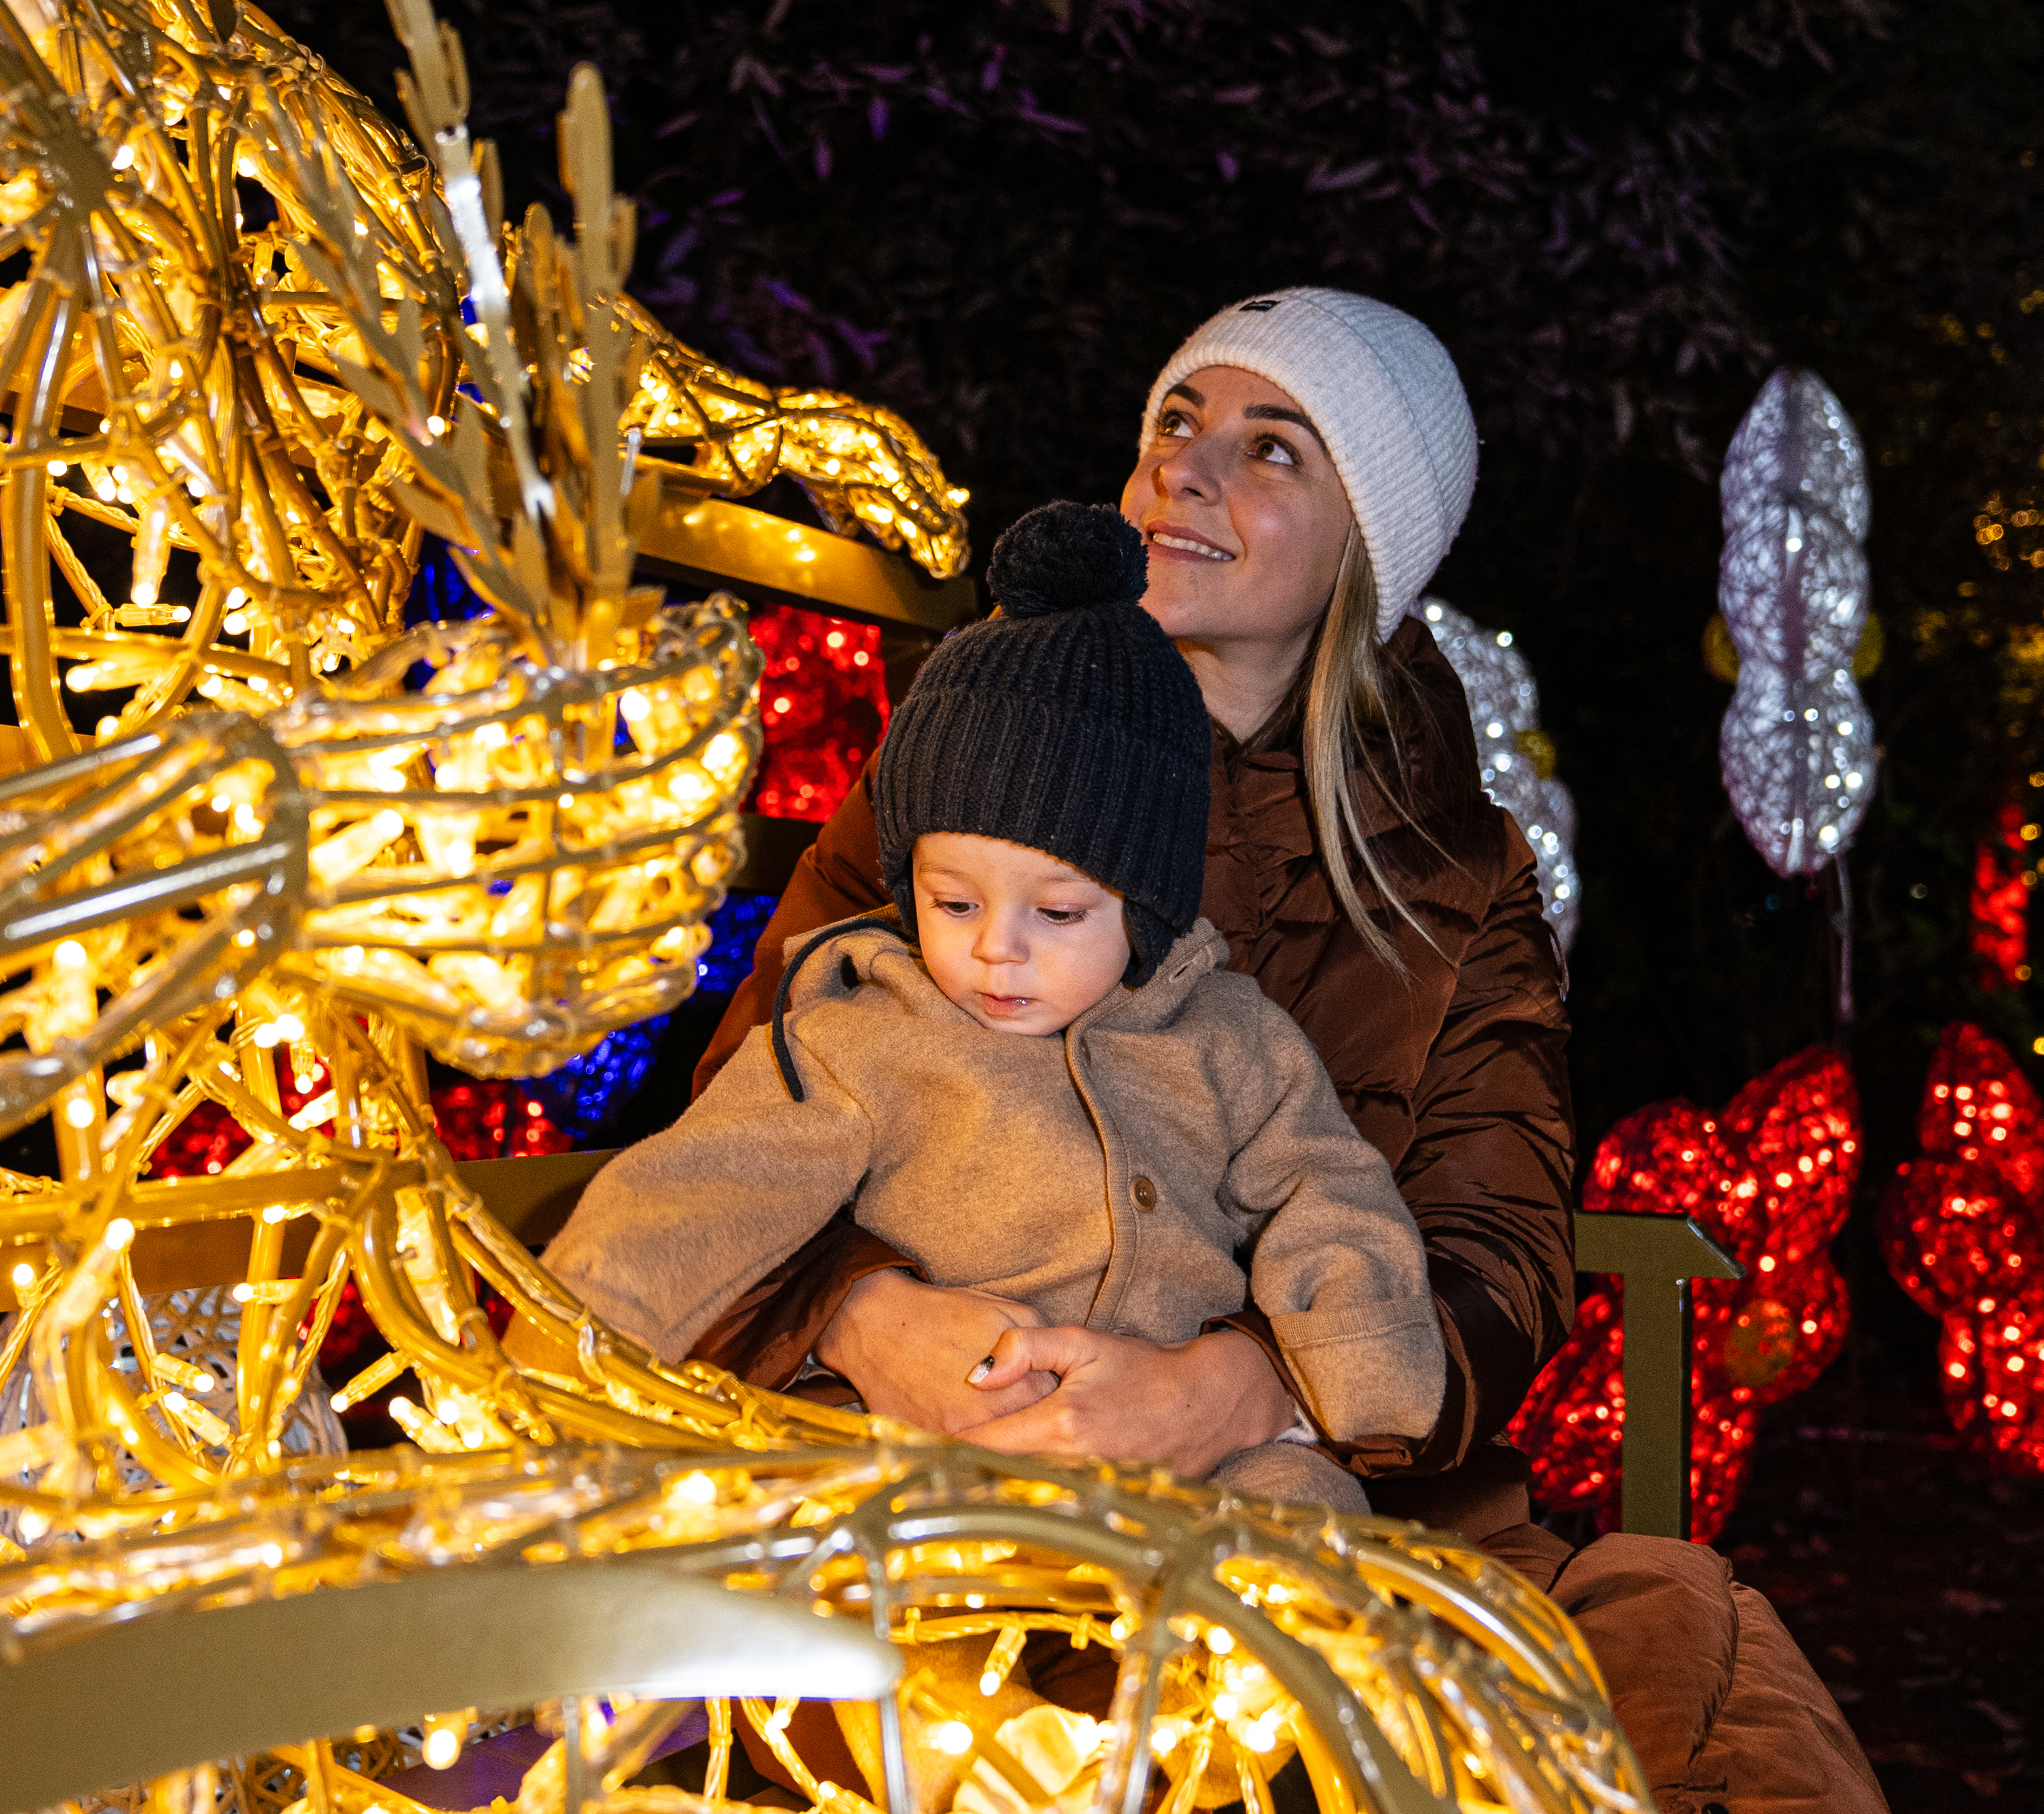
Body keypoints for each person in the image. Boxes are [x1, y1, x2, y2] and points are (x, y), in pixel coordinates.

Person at [679, 287, 1932, 1814]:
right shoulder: (971, 745)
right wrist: (873, 1318)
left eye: (1275, 446)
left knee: (1644, 1685)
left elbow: (1500, 1237)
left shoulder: (1452, 873)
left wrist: (1242, 1382)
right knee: (1115, 1729)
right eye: (1178, 416)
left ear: (1373, 540)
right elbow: (754, 1104)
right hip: (923, 1452)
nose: (1190, 463)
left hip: (1317, 1476)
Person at [545, 504, 1446, 1508]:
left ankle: (1244, 1652)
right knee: (830, 1507)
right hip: (940, 1442)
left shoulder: (1231, 1042)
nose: (994, 947)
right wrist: (569, 1345)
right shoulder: (863, 1038)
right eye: (953, 901)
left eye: (1060, 911)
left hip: (1190, 1459)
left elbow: (1330, 1188)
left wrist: (1365, 1363)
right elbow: (703, 1186)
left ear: (1142, 910)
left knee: (1310, 1524)